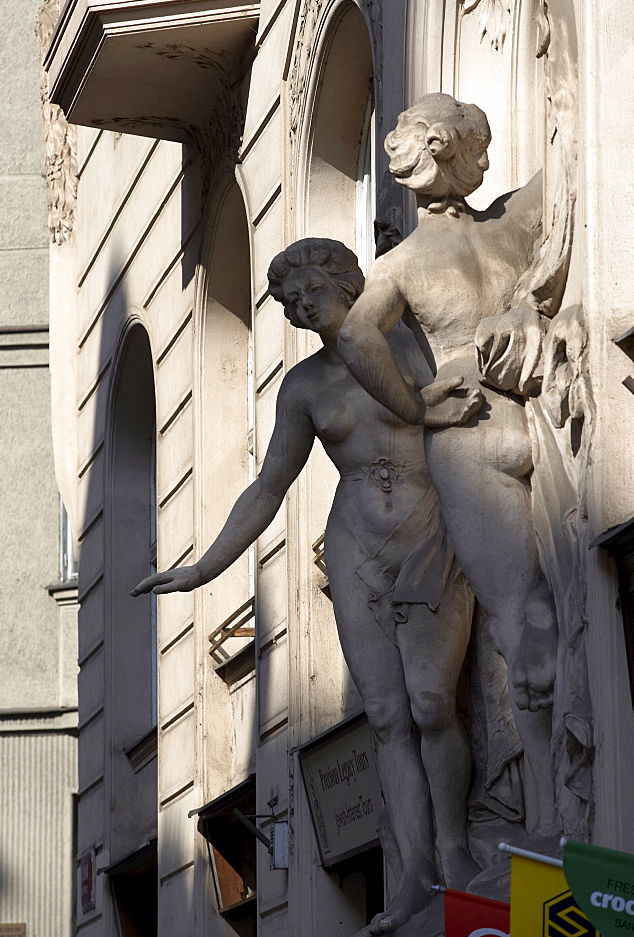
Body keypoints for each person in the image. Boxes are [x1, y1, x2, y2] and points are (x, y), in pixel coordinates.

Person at [133, 238, 482, 934]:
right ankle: (414, 874)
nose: (301, 305)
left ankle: (455, 852)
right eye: (291, 302)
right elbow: (268, 488)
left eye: (310, 290)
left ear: (346, 283)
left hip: (428, 528)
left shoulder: (407, 339)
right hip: (355, 546)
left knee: (431, 702)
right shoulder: (305, 387)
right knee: (386, 717)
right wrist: (205, 567)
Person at [337, 92, 560, 848]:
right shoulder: (511, 224)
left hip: (467, 431)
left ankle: (556, 819)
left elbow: (356, 336)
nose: (488, 160)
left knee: (521, 622)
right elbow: (567, 160)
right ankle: (559, 814)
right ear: (445, 145)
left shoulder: (400, 264)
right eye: (480, 146)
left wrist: (416, 405)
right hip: (533, 410)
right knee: (559, 608)